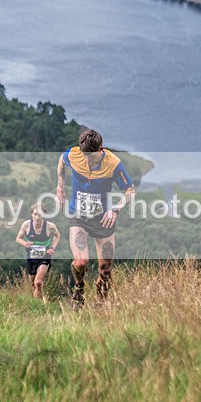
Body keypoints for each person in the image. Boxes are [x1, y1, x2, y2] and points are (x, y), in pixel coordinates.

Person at [56, 129, 136, 307]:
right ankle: (78, 289)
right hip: (79, 217)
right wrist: (60, 188)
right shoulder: (75, 154)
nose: (87, 161)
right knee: (81, 261)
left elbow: (130, 191)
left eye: (91, 157)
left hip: (103, 220)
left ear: (101, 149)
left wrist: (116, 209)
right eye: (85, 156)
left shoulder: (113, 163)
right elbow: (61, 160)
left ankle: (101, 306)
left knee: (105, 269)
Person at [15, 204, 61, 300]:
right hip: (31, 257)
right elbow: (18, 238)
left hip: (45, 257)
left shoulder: (50, 226)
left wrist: (52, 248)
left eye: (40, 215)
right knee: (33, 284)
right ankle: (38, 302)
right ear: (32, 214)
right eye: (35, 214)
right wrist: (24, 243)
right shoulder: (26, 225)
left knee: (38, 282)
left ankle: (38, 305)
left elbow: (57, 236)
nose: (37, 217)